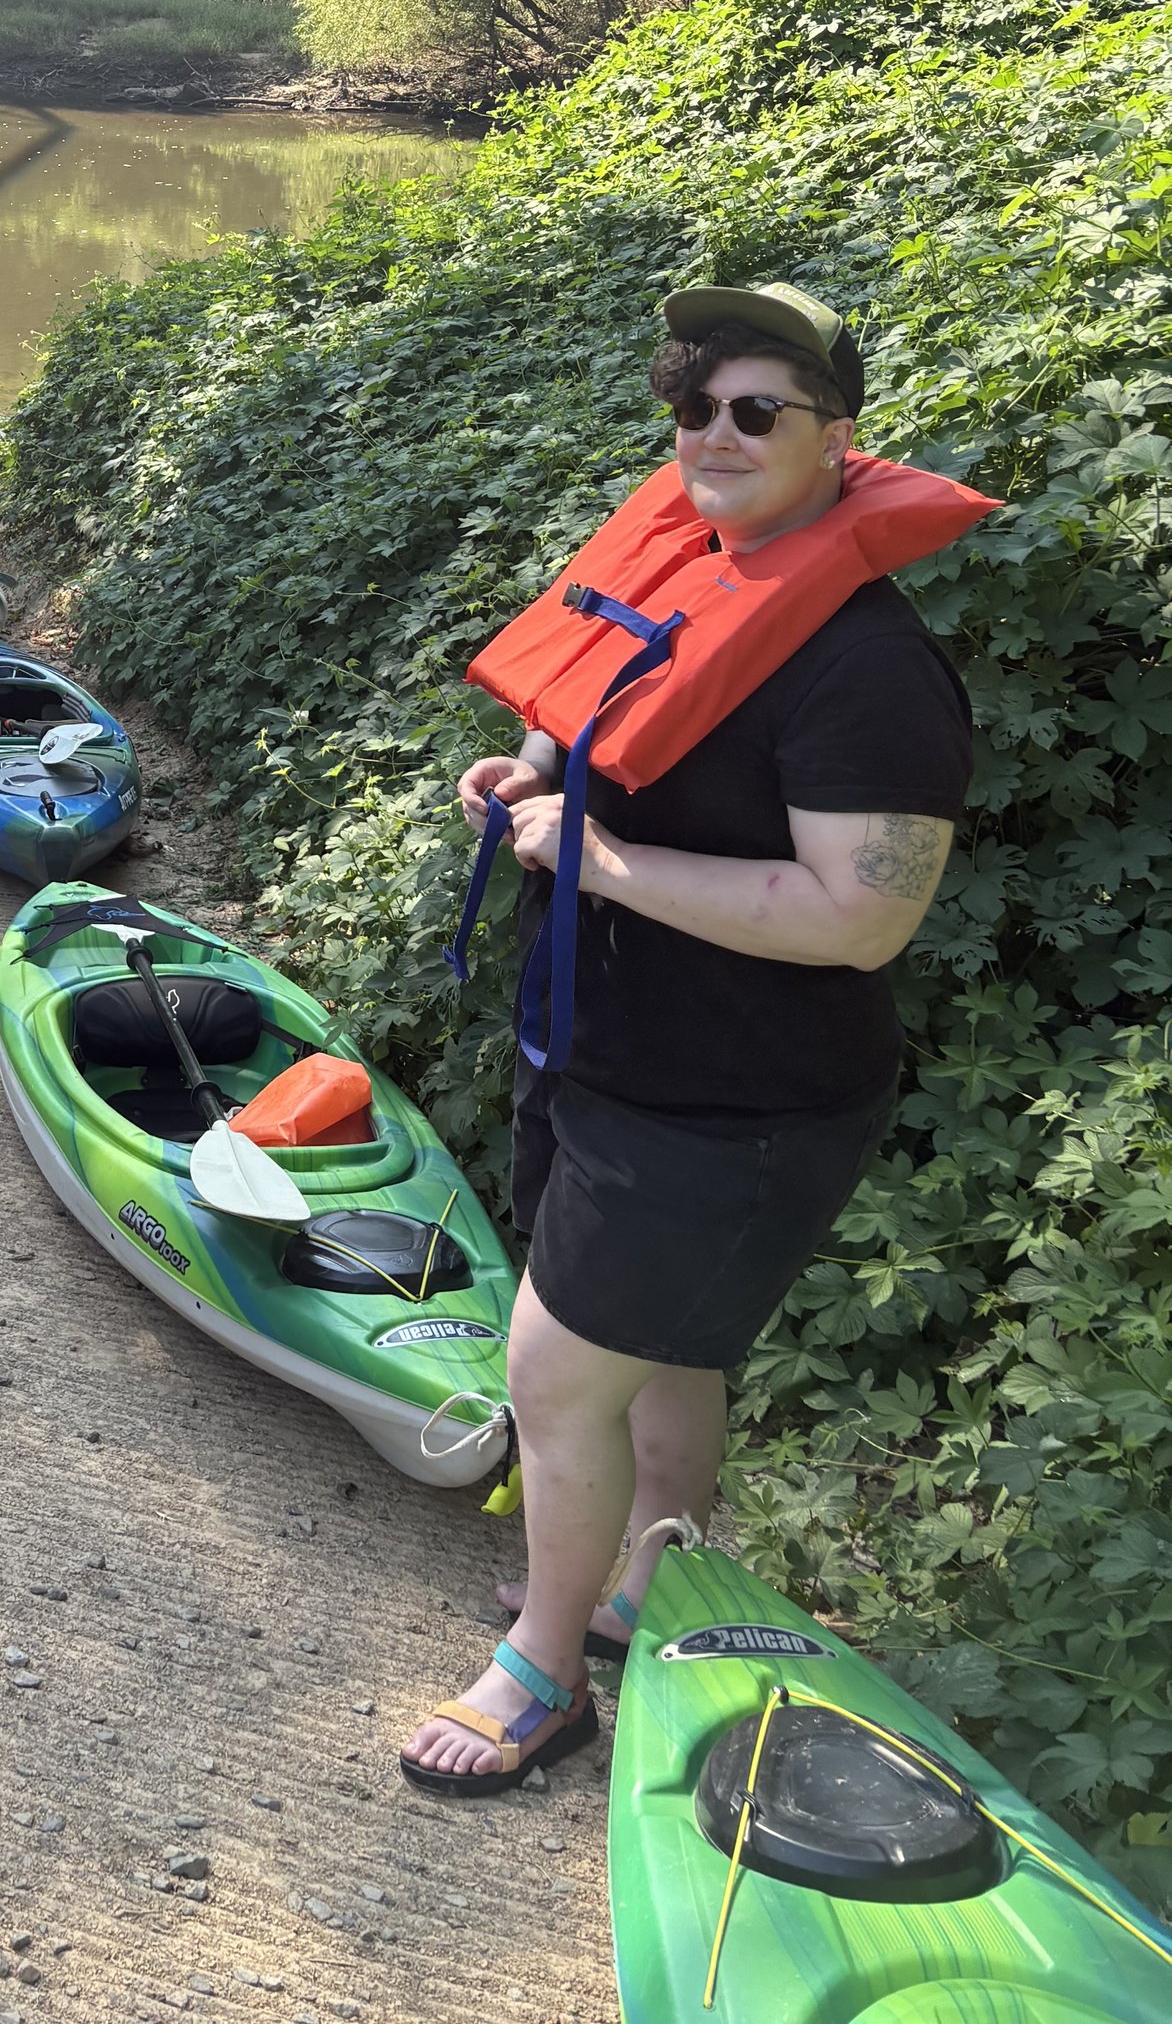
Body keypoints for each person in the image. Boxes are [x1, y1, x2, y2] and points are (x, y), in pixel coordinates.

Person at [400, 285, 976, 1796]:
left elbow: (861, 915)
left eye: (757, 410)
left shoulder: (868, 668)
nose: (715, 435)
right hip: (600, 1044)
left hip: (736, 1101)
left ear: (838, 439)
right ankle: (651, 1582)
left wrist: (593, 860)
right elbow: (603, 715)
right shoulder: (689, 563)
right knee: (662, 1351)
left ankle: (542, 1676)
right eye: (695, 408)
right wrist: (529, 771)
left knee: (554, 1379)